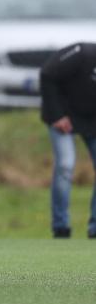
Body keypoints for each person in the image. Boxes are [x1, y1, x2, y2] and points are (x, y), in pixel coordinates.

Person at [40, 43, 96, 238]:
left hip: (92, 119)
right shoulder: (82, 54)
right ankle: (61, 226)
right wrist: (57, 115)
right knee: (65, 164)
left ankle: (94, 227)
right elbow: (47, 74)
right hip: (63, 117)